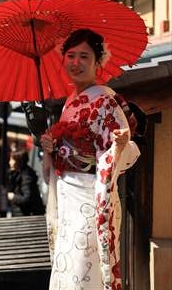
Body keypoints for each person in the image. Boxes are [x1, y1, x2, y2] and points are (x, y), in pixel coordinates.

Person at [40, 28, 140, 290]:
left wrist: (119, 146)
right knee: (67, 264)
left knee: (83, 268)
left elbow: (126, 149)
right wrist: (50, 148)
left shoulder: (106, 101)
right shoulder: (69, 103)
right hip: (67, 197)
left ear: (98, 62)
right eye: (70, 55)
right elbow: (62, 153)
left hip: (90, 198)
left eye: (84, 56)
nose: (75, 63)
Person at [6, 150, 45, 217]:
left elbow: (27, 198)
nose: (10, 162)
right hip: (20, 213)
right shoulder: (16, 173)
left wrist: (13, 197)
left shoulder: (26, 176)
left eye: (12, 160)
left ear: (18, 161)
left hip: (27, 215)